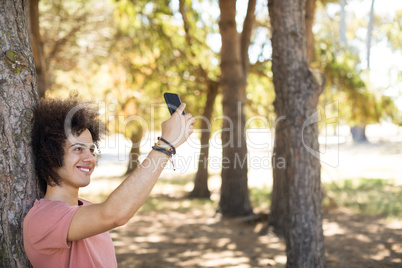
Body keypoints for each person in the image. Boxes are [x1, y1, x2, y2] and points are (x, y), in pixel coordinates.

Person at [23, 94, 194, 268]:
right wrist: (165, 145)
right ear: (50, 155)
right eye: (78, 149)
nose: (89, 157)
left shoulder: (88, 209)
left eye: (91, 149)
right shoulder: (42, 218)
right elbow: (114, 214)